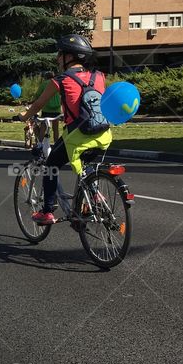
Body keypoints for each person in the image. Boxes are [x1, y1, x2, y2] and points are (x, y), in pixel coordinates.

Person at [19, 34, 112, 225]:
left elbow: (38, 105)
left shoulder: (61, 79)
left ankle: (47, 211)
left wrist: (24, 116)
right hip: (103, 134)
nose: (57, 58)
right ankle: (92, 198)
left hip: (78, 135)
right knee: (85, 168)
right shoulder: (99, 76)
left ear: (69, 57)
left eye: (60, 54)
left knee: (51, 166)